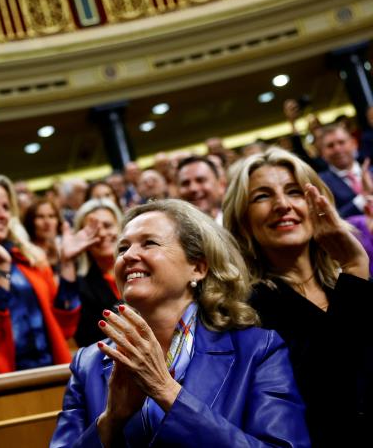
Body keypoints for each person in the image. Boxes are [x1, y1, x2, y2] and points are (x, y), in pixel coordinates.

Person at [51, 199, 309, 447]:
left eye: (149, 243)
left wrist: (166, 391)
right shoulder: (88, 363)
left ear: (197, 267)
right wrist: (110, 421)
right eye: (123, 248)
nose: (129, 256)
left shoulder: (257, 349)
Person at [223, 147, 372, 447]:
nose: (282, 205)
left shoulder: (347, 284)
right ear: (242, 220)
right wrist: (355, 269)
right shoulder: (245, 311)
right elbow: (333, 387)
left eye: (294, 191)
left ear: (318, 205)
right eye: (262, 196)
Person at [0, 172, 80, 376]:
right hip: (2, 385)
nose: (2, 215)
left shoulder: (30, 258)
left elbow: (65, 327)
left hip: (53, 372)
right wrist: (2, 268)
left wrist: (68, 264)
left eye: (6, 207)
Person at [68, 198, 123, 347]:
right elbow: (86, 339)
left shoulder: (143, 267)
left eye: (108, 225)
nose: (103, 233)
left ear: (121, 228)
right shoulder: (80, 286)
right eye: (94, 230)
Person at [317, 123, 373, 217]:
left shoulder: (370, 171)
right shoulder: (320, 183)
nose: (337, 149)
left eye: (341, 142)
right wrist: (363, 198)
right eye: (330, 146)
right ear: (322, 153)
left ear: (354, 144)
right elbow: (327, 217)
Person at [176, 155, 224, 221]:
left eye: (200, 180)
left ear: (221, 185)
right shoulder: (172, 230)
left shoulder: (238, 223)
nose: (193, 188)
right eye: (185, 183)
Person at [22, 197, 64, 273]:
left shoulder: (63, 250)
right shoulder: (24, 253)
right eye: (40, 216)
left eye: (51, 216)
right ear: (30, 221)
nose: (47, 222)